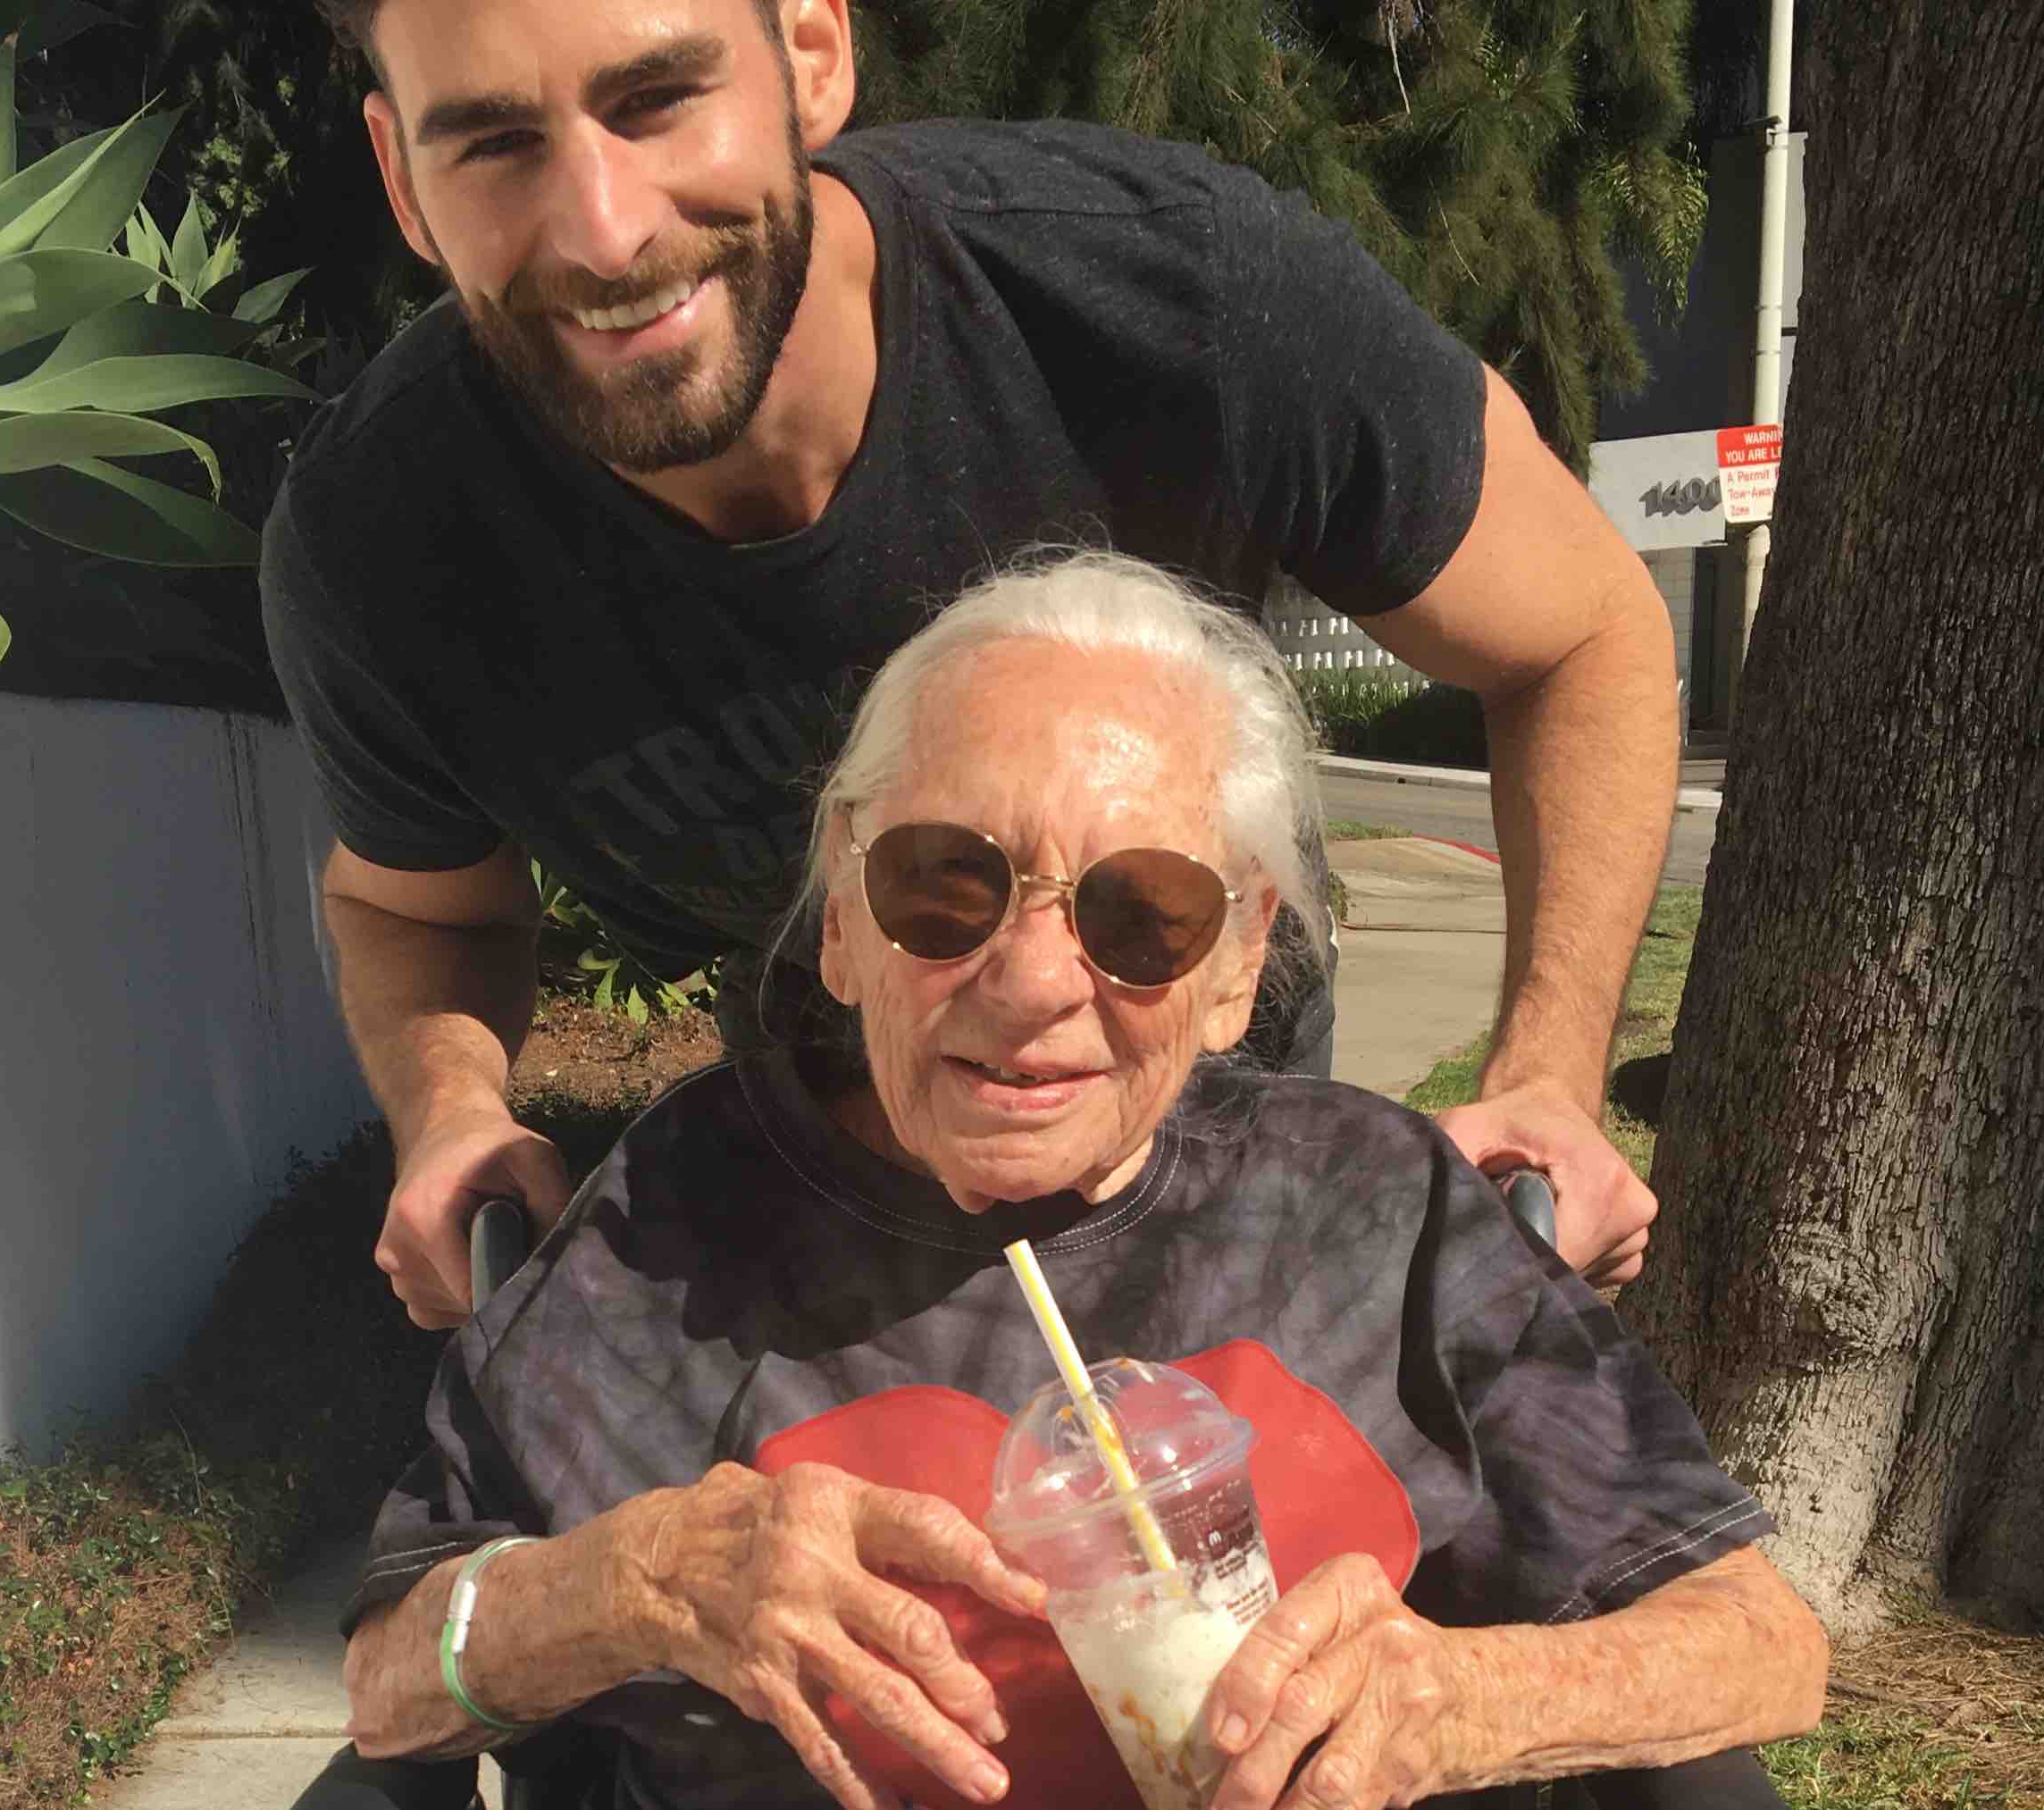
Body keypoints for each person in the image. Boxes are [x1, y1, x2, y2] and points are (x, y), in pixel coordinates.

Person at [289, 555, 1826, 1810]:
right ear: (838, 911)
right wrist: (633, 1581)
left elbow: (1761, 1645)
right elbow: (388, 1681)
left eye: (1140, 913)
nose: (1030, 982)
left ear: (1237, 965)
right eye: (946, 883)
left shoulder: (1372, 1211)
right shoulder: (662, 1241)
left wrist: (1465, 1698)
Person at [263, 0, 1688, 1330]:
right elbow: (417, 906)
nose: (603, 229)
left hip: (1220, 1199)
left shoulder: (1167, 291)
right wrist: (450, 1105)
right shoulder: (381, 537)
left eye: (658, 99)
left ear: (812, 53)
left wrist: (1549, 1074)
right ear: (402, 179)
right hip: (812, 1247)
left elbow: (1581, 634)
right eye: (498, 144)